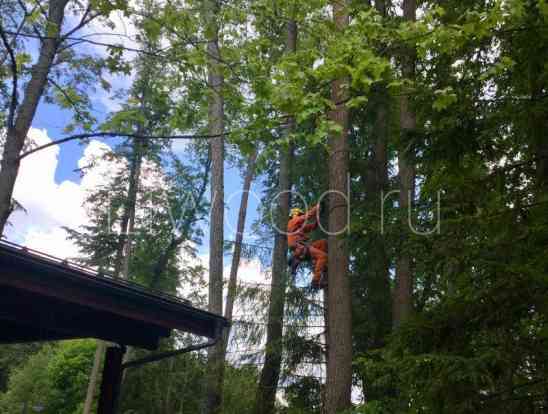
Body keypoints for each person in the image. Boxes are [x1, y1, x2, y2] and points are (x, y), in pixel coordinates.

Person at [287, 204, 328, 289]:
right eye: (300, 215)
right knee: (323, 256)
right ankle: (315, 281)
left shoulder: (299, 227)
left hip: (303, 247)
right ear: (296, 215)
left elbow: (313, 226)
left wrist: (318, 215)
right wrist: (317, 207)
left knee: (322, 243)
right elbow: (307, 216)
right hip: (300, 249)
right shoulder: (293, 222)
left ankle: (321, 266)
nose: (301, 216)